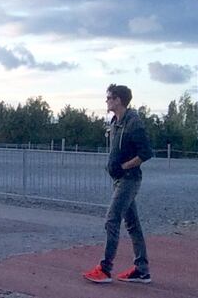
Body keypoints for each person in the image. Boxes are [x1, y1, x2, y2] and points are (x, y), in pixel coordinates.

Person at [83, 84, 153, 284]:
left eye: (109, 98)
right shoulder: (115, 122)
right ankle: (142, 270)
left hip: (129, 179)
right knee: (132, 224)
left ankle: (105, 269)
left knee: (112, 220)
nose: (106, 101)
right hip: (119, 179)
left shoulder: (134, 123)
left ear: (118, 100)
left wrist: (124, 167)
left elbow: (146, 153)